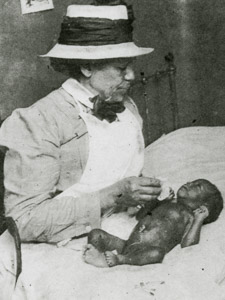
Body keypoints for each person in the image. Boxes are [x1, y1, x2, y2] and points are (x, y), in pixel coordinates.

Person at [0, 1, 161, 243]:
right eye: (121, 67)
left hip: (121, 227)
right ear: (86, 66)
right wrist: (114, 196)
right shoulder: (38, 121)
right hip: (63, 243)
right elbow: (22, 221)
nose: (131, 75)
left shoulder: (126, 106)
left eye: (131, 66)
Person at [83, 179, 223, 267]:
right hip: (127, 244)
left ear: (202, 207)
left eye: (196, 187)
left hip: (146, 250)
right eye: (191, 182)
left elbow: (188, 244)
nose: (188, 184)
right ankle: (98, 255)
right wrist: (157, 201)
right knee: (96, 234)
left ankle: (120, 259)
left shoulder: (189, 216)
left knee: (157, 254)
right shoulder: (168, 202)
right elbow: (140, 216)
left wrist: (199, 219)